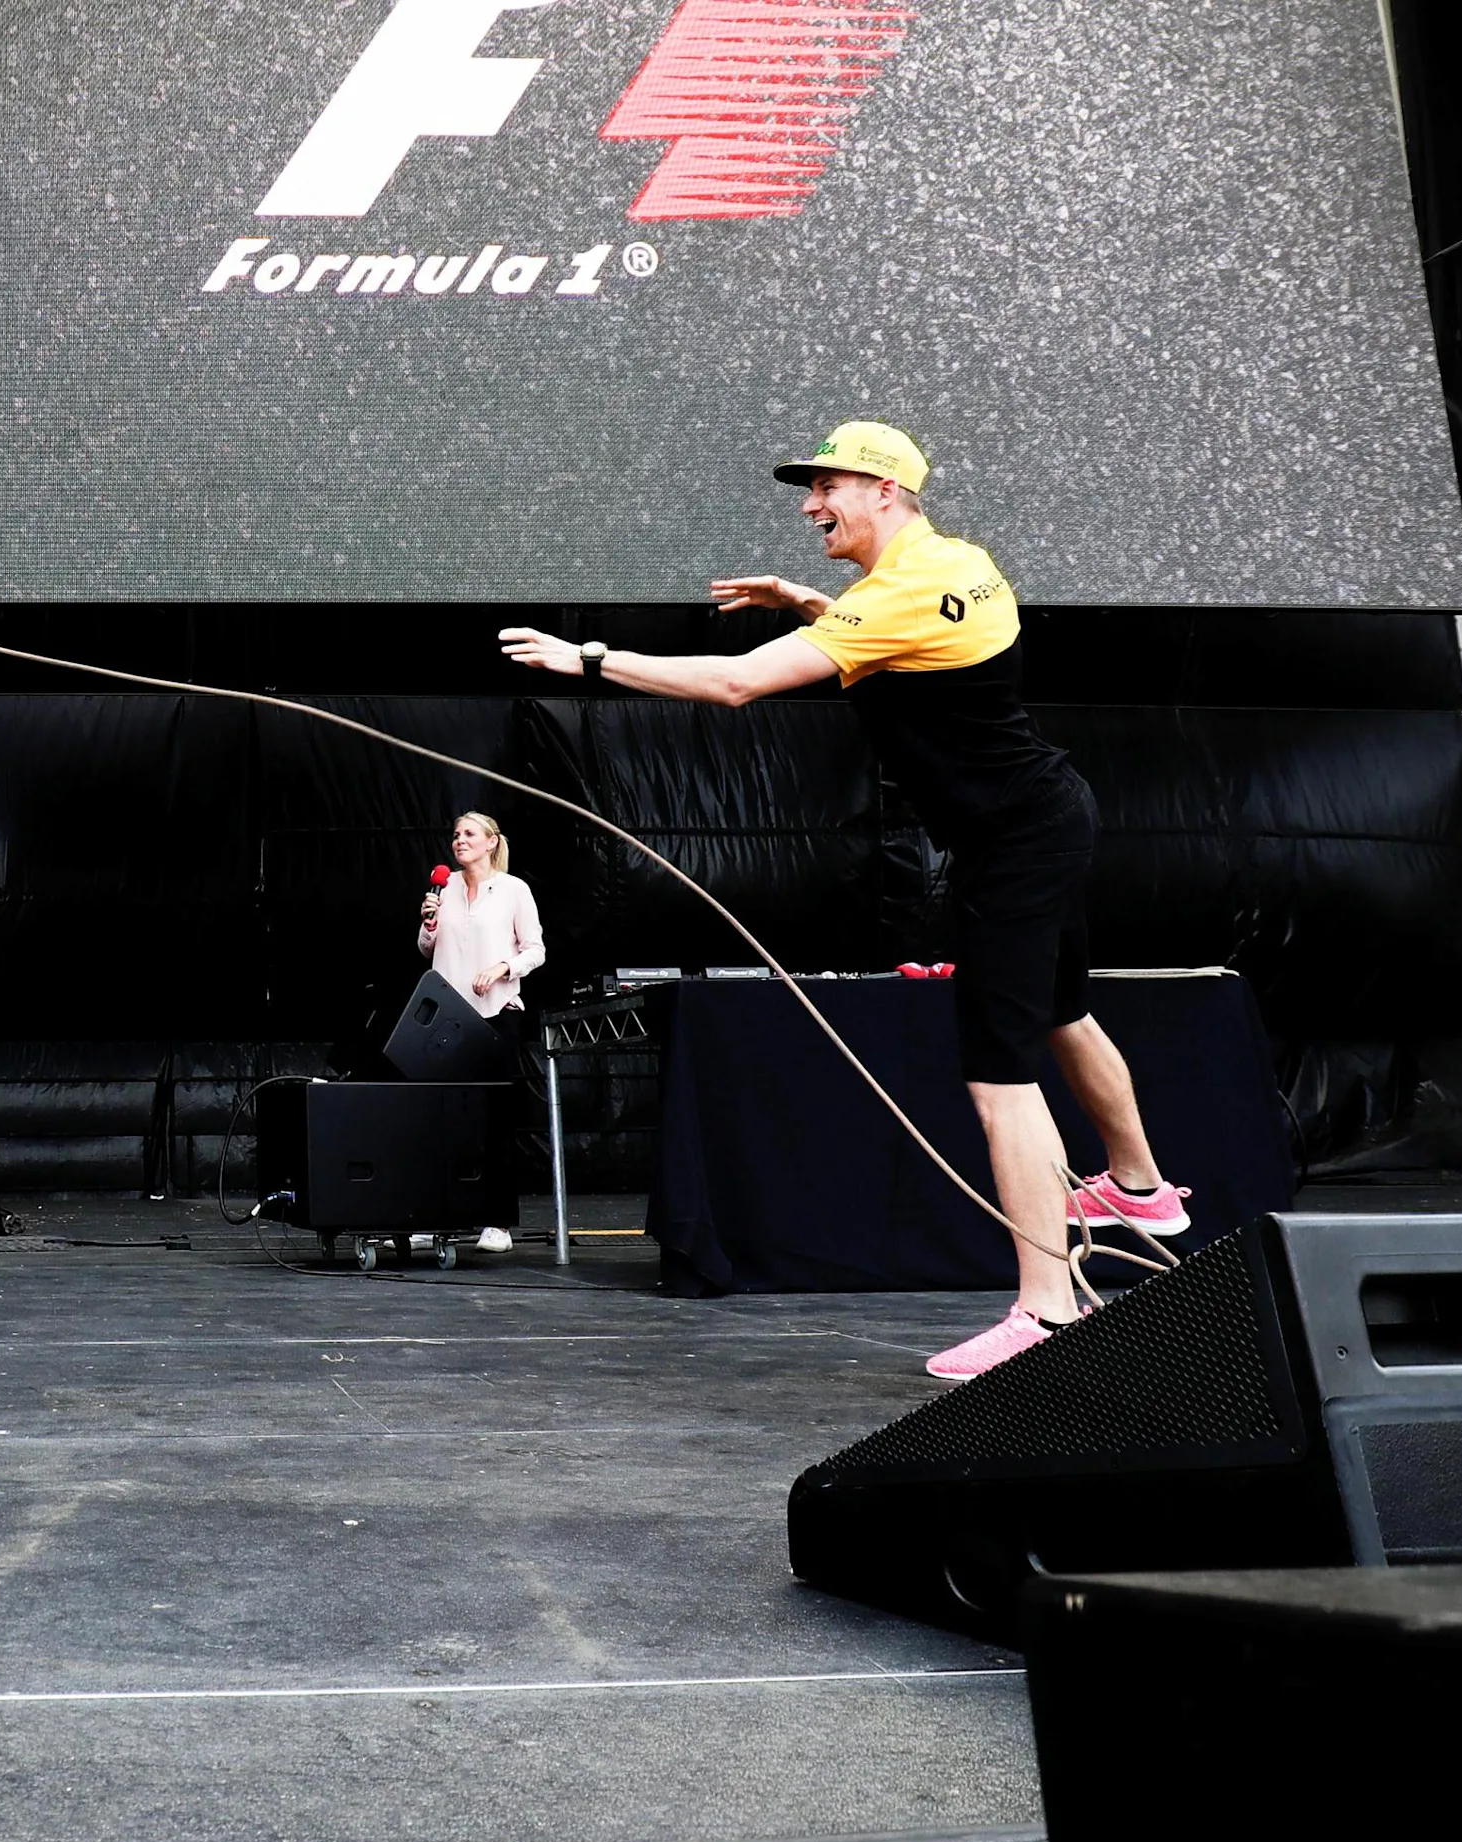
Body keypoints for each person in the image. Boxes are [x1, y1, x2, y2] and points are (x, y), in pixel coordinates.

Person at [497, 420, 1185, 1381]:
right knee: (1065, 1009)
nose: (811, 503)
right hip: (1047, 817)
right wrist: (814, 601)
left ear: (887, 492)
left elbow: (739, 684)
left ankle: (1048, 1312)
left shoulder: (895, 594)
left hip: (1015, 847)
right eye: (809, 488)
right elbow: (904, 633)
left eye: (829, 486)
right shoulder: (949, 561)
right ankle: (1143, 1191)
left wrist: (594, 662)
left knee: (999, 1075)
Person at [415, 811, 542, 1254]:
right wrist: (429, 922)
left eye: (469, 834)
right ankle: (436, 1216)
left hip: (495, 1011)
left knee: (495, 1117)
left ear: (491, 842)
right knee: (440, 1115)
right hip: (448, 1014)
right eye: (455, 834)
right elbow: (426, 948)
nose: (459, 840)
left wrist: (503, 967)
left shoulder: (513, 890)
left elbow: (536, 949)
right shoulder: (443, 888)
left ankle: (498, 1222)